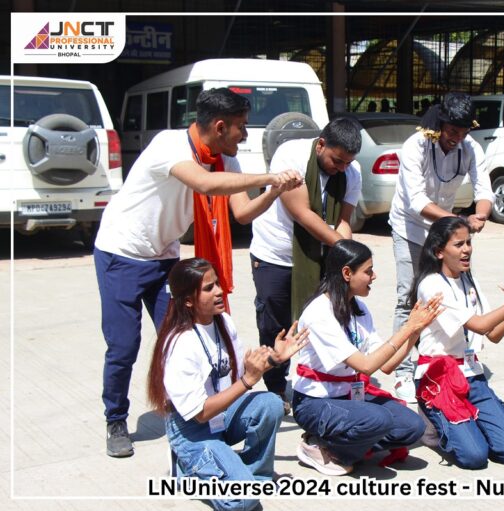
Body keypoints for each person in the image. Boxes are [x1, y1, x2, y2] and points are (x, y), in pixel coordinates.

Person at [94, 88, 302, 458]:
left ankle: (194, 411)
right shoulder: (169, 145)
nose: (246, 136)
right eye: (240, 128)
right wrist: (271, 177)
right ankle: (115, 418)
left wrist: (274, 191)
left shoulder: (227, 160)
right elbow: (205, 184)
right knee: (124, 344)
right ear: (219, 127)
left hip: (165, 258)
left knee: (189, 336)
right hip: (122, 252)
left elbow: (241, 213)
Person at [146, 258, 308, 511]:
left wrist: (274, 358)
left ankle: (255, 475)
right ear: (188, 300)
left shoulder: (223, 322)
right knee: (243, 501)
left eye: (218, 284)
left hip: (221, 415)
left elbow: (240, 370)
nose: (220, 291)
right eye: (209, 288)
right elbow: (200, 413)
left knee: (270, 404)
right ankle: (186, 470)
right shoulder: (180, 344)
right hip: (192, 428)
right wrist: (247, 382)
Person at [409, 216, 504, 469]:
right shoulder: (431, 284)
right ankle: (432, 419)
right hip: (440, 378)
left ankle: (466, 422)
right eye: (458, 245)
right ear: (439, 251)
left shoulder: (469, 280)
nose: (467, 250)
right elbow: (481, 324)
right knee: (474, 457)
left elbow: (493, 333)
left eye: (468, 242)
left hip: (471, 374)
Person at [292, 240, 443, 475]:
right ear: (346, 273)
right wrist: (407, 327)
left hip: (348, 396)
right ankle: (322, 447)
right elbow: (366, 365)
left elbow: (387, 365)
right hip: (315, 402)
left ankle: (343, 441)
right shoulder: (319, 313)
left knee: (413, 427)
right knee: (378, 420)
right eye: (368, 271)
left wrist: (416, 330)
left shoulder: (358, 308)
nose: (374, 276)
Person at [249, 118, 363, 413]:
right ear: (321, 144)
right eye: (336, 160)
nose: (341, 168)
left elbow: (343, 222)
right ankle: (275, 388)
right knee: (275, 323)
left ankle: (318, 382)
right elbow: (302, 214)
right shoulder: (291, 155)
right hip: (275, 253)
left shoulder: (352, 171)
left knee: (318, 321)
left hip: (322, 255)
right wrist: (344, 250)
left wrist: (345, 260)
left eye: (347, 163)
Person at [388, 92, 494, 402]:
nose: (456, 139)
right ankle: (404, 373)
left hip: (445, 230)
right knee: (408, 297)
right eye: (451, 132)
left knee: (457, 296)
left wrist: (482, 214)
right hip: (410, 226)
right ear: (440, 124)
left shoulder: (470, 148)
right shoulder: (415, 146)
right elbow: (417, 201)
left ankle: (460, 360)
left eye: (462, 133)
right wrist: (460, 221)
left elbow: (483, 187)